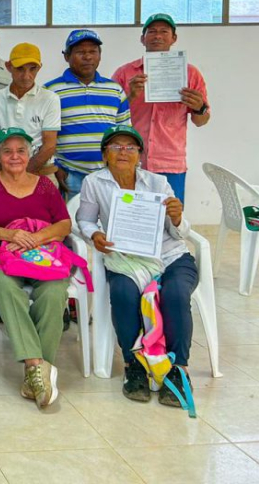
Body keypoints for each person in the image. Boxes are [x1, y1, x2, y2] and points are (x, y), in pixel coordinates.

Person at [76, 125, 195, 407]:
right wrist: (94, 234)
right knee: (123, 294)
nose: (123, 152)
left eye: (131, 148)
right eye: (116, 147)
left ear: (140, 155)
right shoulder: (94, 183)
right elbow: (85, 220)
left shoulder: (157, 183)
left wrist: (177, 218)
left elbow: (180, 232)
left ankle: (178, 370)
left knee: (177, 294)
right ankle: (135, 365)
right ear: (105, 154)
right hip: (126, 257)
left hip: (170, 255)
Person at [0, 128, 74, 410]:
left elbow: (63, 225)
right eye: (7, 151)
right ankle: (35, 364)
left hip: (42, 252)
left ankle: (36, 373)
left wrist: (36, 238)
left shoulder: (45, 186)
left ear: (29, 154)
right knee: (4, 286)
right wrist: (9, 235)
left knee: (55, 290)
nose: (15, 156)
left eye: (21, 150)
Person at [112, 14, 210, 204]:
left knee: (170, 219)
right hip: (130, 159)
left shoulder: (190, 73)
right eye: (152, 31)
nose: (158, 36)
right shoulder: (124, 73)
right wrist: (129, 95)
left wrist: (199, 108)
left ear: (174, 38)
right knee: (128, 216)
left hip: (170, 161)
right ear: (143, 38)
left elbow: (201, 121)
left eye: (164, 31)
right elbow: (109, 118)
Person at [45, 29, 131, 197]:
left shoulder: (115, 90)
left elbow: (125, 135)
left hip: (108, 175)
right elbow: (42, 136)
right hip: (69, 175)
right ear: (66, 56)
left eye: (93, 51)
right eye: (80, 52)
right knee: (69, 222)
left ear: (100, 55)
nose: (88, 57)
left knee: (107, 222)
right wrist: (55, 167)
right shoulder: (51, 90)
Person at [0, 43, 61, 180]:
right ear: (9, 67)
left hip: (42, 172)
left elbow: (49, 145)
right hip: (4, 172)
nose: (27, 76)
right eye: (20, 69)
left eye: (33, 69)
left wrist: (23, 175)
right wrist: (8, 174)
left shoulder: (50, 99)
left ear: (40, 67)